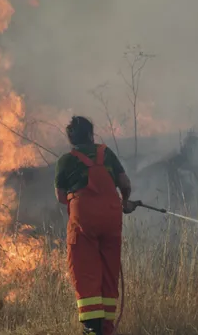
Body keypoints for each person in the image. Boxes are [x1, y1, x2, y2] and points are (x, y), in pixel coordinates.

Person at [54, 116, 139, 335]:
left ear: (71, 139)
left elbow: (61, 196)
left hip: (84, 220)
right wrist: (125, 201)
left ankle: (92, 329)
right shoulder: (106, 153)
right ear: (92, 135)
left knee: (85, 269)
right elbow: (125, 183)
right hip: (112, 218)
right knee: (109, 271)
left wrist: (79, 205)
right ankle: (107, 329)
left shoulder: (65, 160)